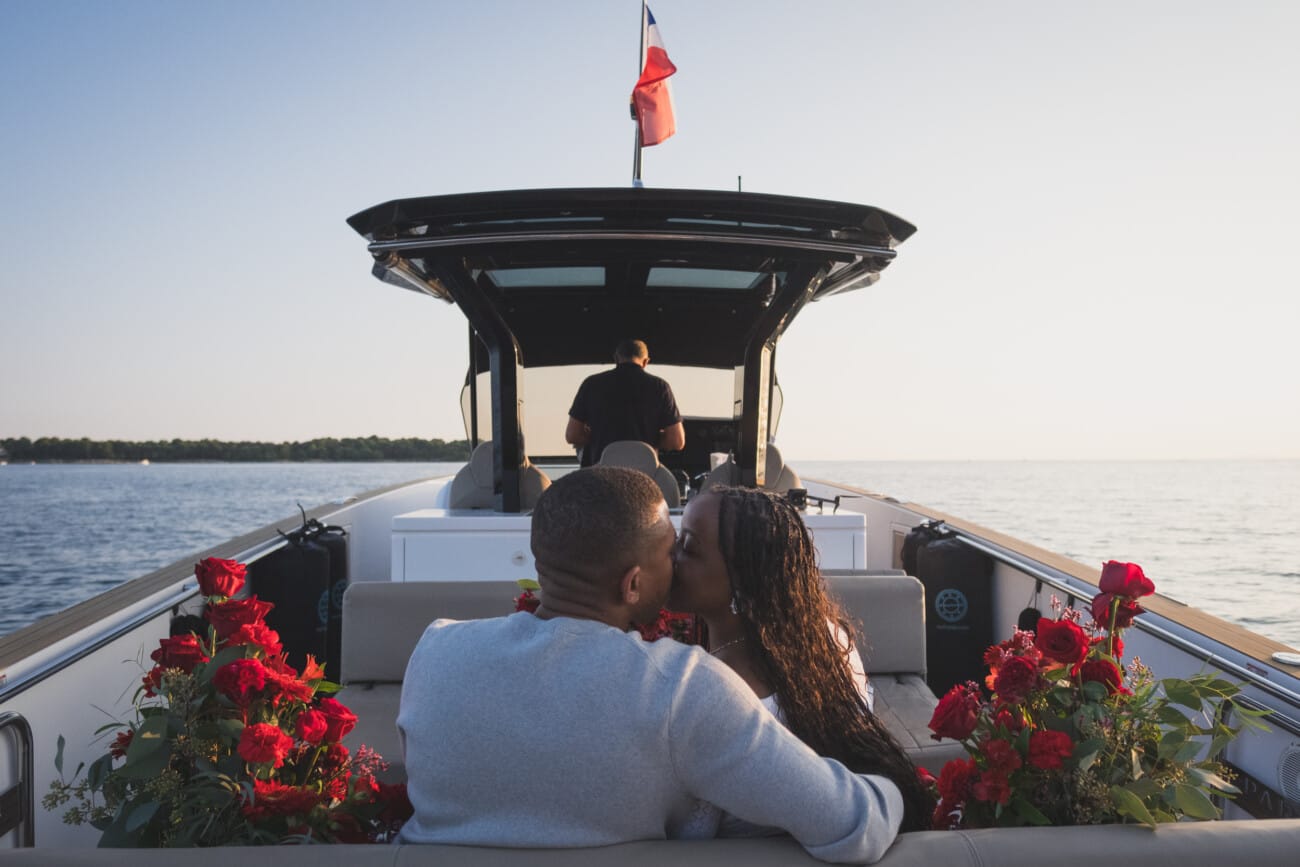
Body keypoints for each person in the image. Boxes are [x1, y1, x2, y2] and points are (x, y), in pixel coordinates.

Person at [396, 467, 904, 862]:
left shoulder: (435, 651)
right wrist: (892, 788)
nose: (678, 562)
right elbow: (852, 822)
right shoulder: (682, 689)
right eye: (672, 549)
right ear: (633, 585)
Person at [669, 485, 934, 833]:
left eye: (688, 546)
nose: (669, 554)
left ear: (743, 584)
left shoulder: (710, 696)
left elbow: (687, 833)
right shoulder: (823, 637)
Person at [565, 338, 685, 467]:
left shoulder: (591, 384)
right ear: (645, 362)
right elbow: (676, 441)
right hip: (644, 477)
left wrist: (597, 436)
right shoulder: (660, 387)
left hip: (602, 476)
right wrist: (652, 438)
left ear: (616, 359)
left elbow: (573, 435)